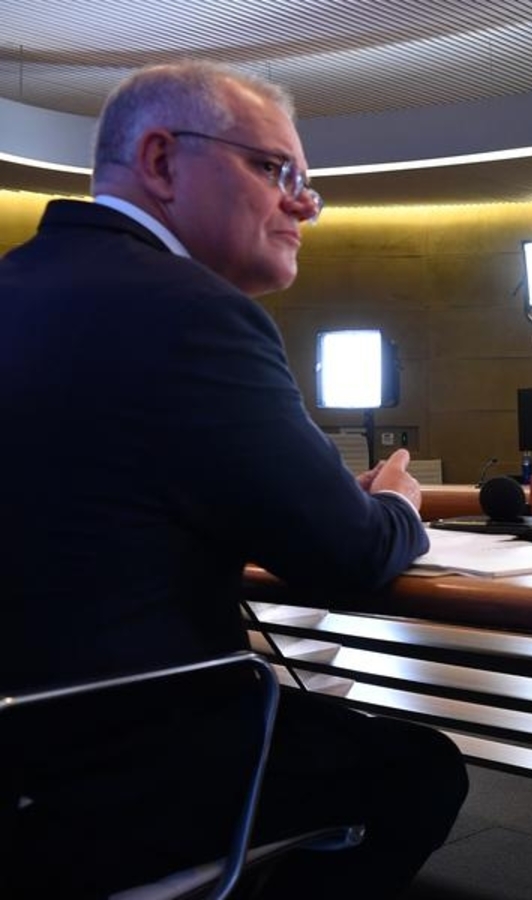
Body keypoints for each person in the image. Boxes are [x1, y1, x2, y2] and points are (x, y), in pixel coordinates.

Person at [0, 61, 466, 897]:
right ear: (162, 161)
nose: (305, 205)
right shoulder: (193, 313)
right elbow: (349, 557)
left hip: (22, 758)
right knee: (418, 770)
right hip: (108, 770)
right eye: (276, 169)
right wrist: (398, 505)